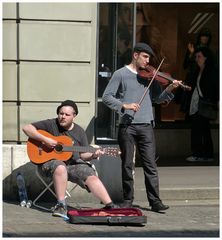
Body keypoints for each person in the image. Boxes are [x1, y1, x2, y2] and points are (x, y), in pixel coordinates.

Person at [102, 42, 181, 212]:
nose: (147, 61)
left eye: (149, 58)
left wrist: (170, 88)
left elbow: (158, 98)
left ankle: (155, 201)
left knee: (150, 165)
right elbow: (107, 97)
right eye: (145, 57)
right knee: (127, 165)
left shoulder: (150, 76)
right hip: (127, 126)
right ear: (135, 55)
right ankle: (128, 200)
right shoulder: (120, 74)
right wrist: (125, 105)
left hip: (146, 125)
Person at [22, 100, 118, 219]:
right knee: (60, 166)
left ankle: (109, 205)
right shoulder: (50, 124)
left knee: (89, 174)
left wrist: (93, 155)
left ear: (74, 116)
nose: (63, 117)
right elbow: (26, 128)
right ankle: (61, 205)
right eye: (61, 114)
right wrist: (45, 140)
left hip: (72, 164)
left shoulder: (79, 131)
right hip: (48, 164)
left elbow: (83, 155)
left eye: (67, 115)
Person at [185, 47, 219, 162]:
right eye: (196, 57)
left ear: (206, 58)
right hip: (198, 104)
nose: (197, 59)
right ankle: (204, 154)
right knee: (201, 128)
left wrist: (210, 99)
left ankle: (200, 154)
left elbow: (213, 88)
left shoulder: (211, 71)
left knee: (201, 129)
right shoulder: (198, 70)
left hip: (204, 104)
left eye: (199, 56)